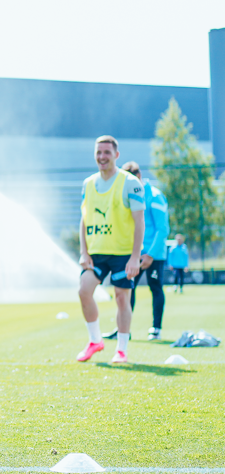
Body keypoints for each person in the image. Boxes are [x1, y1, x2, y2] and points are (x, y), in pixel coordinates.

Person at [76, 136, 145, 364]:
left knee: (122, 299)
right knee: (84, 291)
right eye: (98, 152)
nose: (102, 157)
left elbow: (139, 221)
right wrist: (84, 252)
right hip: (96, 253)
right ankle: (95, 341)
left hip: (122, 254)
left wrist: (135, 257)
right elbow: (84, 221)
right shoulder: (88, 184)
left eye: (106, 152)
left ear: (116, 155)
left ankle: (122, 350)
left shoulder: (130, 183)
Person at [102, 162, 169, 341]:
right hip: (134, 254)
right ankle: (123, 330)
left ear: (138, 176)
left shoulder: (155, 196)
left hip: (154, 255)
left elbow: (162, 229)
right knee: (126, 289)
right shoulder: (129, 195)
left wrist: (150, 254)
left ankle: (156, 329)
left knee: (155, 288)